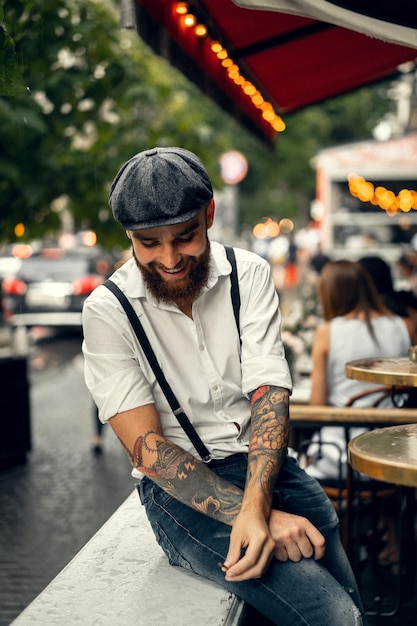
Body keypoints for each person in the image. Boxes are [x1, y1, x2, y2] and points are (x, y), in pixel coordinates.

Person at [82, 147, 367, 625]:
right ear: (129, 236)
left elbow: (269, 396)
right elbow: (149, 450)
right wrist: (254, 515)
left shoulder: (249, 274)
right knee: (335, 617)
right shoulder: (107, 311)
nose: (169, 258)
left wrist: (258, 504)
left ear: (209, 214)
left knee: (348, 591)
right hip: (179, 493)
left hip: (268, 464)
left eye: (185, 236)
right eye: (149, 243)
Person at [306, 260, 417, 566]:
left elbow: (317, 405)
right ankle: (390, 540)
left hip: (342, 457)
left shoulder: (328, 332)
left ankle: (335, 546)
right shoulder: (404, 326)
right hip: (394, 456)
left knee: (296, 464)